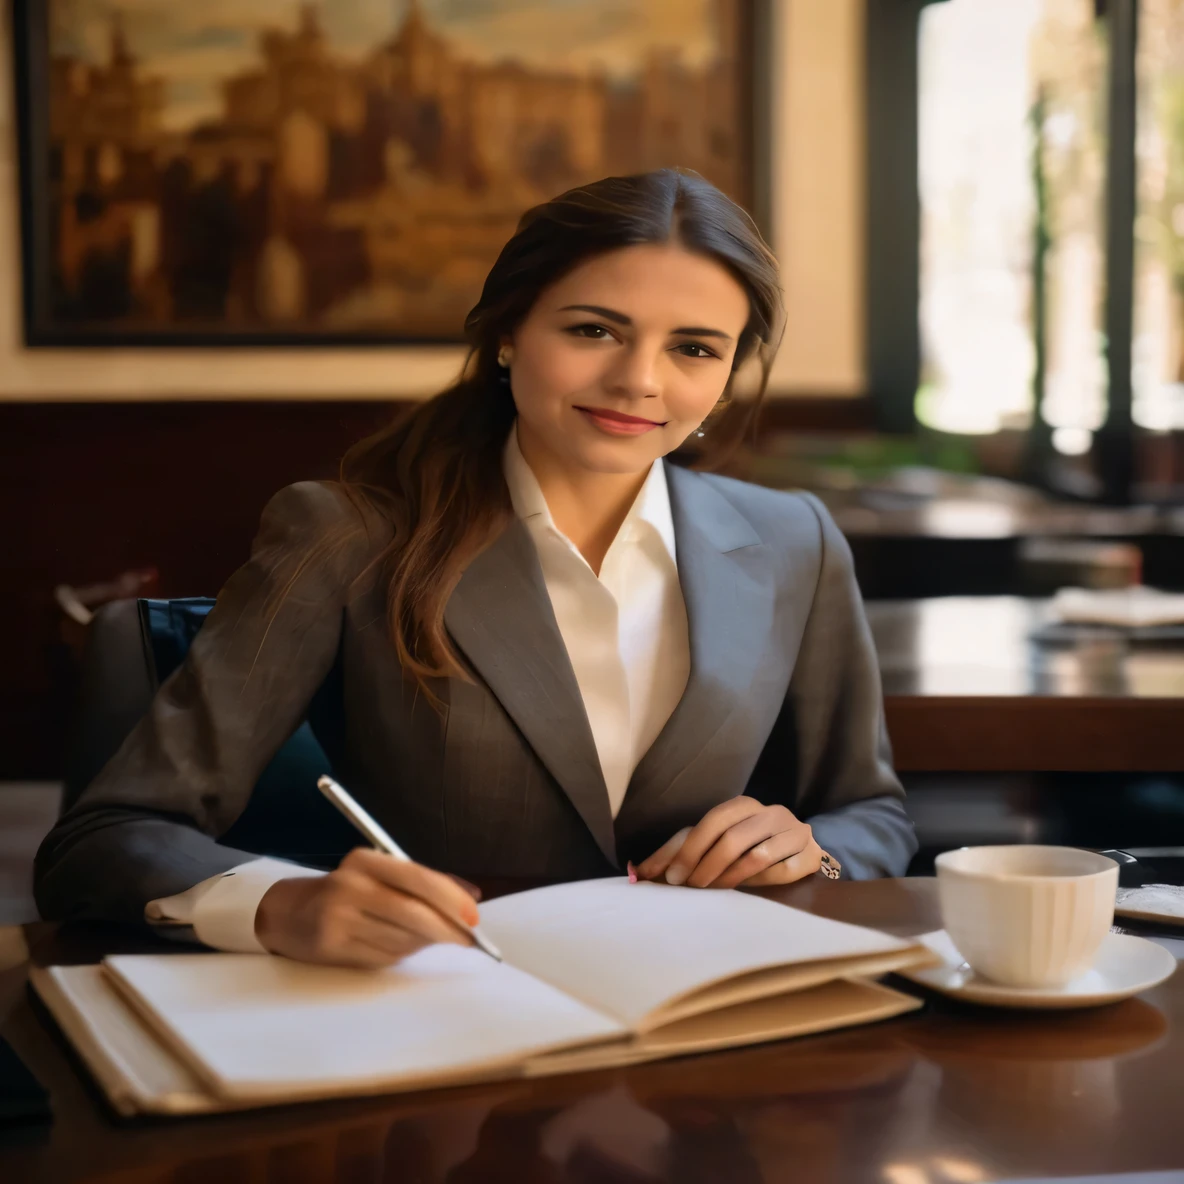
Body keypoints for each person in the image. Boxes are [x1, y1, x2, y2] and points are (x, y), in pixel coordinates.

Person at [34, 169, 916, 970]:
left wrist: (811, 852)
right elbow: (107, 838)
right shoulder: (346, 535)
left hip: (709, 1031)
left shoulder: (794, 539)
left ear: (726, 377)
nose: (639, 381)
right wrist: (280, 903)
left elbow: (870, 814)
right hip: (451, 1027)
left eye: (694, 348)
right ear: (507, 333)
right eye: (593, 329)